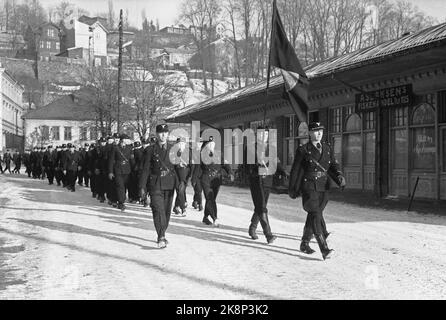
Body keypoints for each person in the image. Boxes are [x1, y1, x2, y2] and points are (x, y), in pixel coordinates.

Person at [288, 122, 346, 260]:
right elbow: (295, 171)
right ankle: (324, 248)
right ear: (309, 133)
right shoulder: (303, 150)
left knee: (315, 214)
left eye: (321, 130)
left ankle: (304, 242)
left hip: (323, 186)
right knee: (315, 213)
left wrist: (339, 176)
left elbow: (332, 165)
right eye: (315, 131)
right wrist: (293, 188)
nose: (319, 133)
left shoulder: (327, 148)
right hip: (309, 186)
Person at [138, 124, 179, 249]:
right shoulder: (150, 150)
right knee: (158, 209)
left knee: (166, 212)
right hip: (155, 184)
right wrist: (142, 187)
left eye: (165, 133)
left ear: (168, 134)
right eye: (161, 133)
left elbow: (178, 168)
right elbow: (145, 169)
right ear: (156, 134)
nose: (163, 135)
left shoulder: (174, 149)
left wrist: (181, 184)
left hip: (169, 184)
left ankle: (162, 231)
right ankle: (161, 236)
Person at [244, 126, 287, 244]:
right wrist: (256, 165)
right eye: (262, 134)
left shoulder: (272, 148)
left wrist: (283, 172)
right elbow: (246, 168)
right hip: (257, 181)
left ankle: (252, 228)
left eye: (266, 135)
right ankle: (268, 234)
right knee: (262, 207)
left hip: (268, 181)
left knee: (260, 206)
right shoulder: (250, 148)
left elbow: (276, 163)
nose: (264, 137)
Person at [194, 136, 234, 227]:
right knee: (210, 198)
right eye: (209, 144)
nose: (212, 145)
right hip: (206, 179)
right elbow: (197, 168)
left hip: (216, 180)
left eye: (213, 144)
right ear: (206, 145)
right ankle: (215, 217)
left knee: (211, 199)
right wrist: (194, 180)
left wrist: (230, 172)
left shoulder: (219, 154)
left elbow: (225, 164)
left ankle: (205, 217)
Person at [108, 134, 134, 211]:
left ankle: (117, 199)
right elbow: (111, 160)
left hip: (127, 170)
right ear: (122, 140)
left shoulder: (130, 148)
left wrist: (135, 168)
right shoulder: (115, 148)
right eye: (126, 139)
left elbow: (131, 160)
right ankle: (121, 202)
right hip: (118, 170)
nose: (127, 141)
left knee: (124, 186)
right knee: (120, 186)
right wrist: (110, 172)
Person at [173, 137, 190, 217]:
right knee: (180, 191)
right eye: (179, 143)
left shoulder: (188, 151)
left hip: (185, 174)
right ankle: (183, 208)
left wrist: (190, 176)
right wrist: (177, 163)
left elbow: (192, 164)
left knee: (181, 191)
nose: (181, 145)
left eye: (182, 143)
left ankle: (176, 206)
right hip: (176, 174)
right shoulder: (173, 152)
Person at [190, 139, 204, 211]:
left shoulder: (203, 151)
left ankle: (195, 201)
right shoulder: (192, 152)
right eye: (199, 142)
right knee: (198, 189)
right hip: (194, 173)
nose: (200, 144)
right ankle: (200, 204)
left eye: (201, 142)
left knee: (199, 190)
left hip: (202, 174)